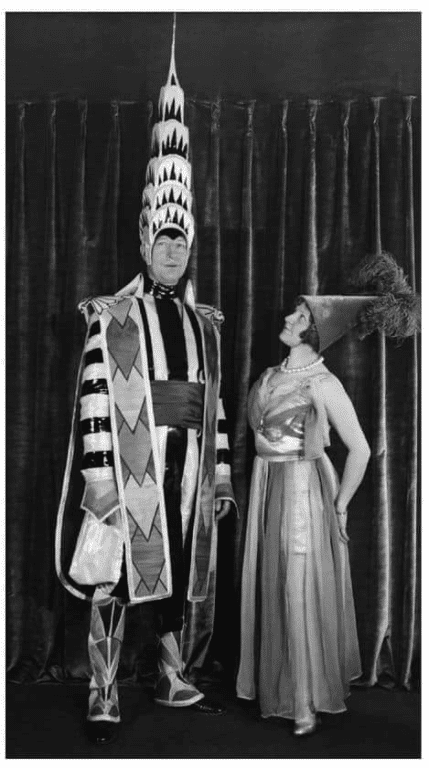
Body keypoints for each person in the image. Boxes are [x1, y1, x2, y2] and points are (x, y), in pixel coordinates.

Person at [56, 22, 234, 745]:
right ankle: (102, 689)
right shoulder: (114, 316)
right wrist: (99, 477)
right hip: (130, 462)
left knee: (173, 576)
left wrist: (219, 475)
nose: (171, 251)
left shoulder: (204, 324)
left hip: (184, 466)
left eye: (180, 243)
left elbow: (216, 406)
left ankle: (169, 674)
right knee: (113, 575)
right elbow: (95, 398)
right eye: (163, 241)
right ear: (144, 241)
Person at [236, 266, 419, 736]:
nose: (289, 318)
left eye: (300, 317)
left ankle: (304, 701)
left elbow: (360, 449)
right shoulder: (270, 375)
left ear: (316, 333)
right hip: (266, 486)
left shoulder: (323, 383)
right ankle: (284, 691)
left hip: (301, 490)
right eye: (294, 312)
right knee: (277, 583)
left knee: (297, 585)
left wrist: (339, 505)